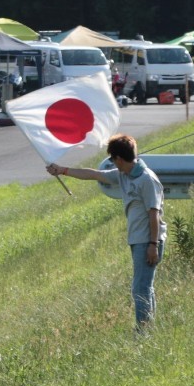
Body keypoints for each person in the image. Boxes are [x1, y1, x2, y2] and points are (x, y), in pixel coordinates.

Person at [46, 134, 167, 330]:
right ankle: (148, 328)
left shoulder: (146, 179)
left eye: (112, 159)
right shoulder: (123, 175)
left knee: (140, 288)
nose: (113, 163)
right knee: (144, 286)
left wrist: (153, 245)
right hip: (138, 240)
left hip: (148, 241)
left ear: (119, 158)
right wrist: (63, 170)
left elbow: (154, 214)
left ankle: (143, 332)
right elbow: (94, 174)